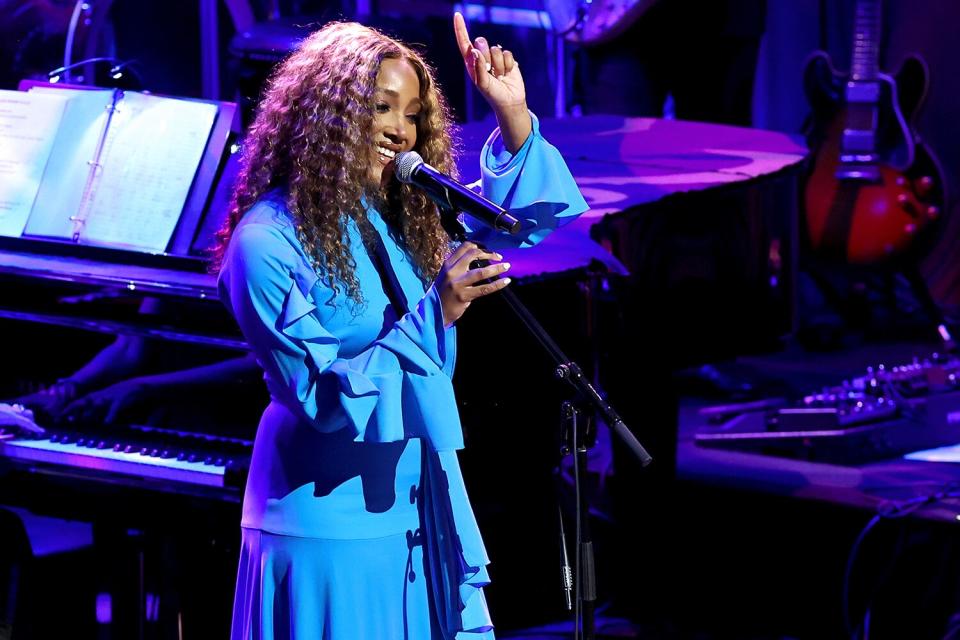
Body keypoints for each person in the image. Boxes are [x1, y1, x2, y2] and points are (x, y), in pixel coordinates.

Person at [214, 13, 588, 639]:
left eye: (411, 114)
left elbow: (520, 224)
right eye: (380, 107)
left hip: (416, 509)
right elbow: (324, 399)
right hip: (326, 527)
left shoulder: (398, 215)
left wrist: (512, 114)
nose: (398, 129)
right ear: (327, 115)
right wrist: (434, 313)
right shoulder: (265, 244)